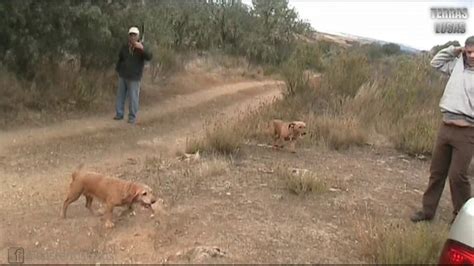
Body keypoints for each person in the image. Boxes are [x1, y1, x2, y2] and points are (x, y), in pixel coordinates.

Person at [411, 36, 474, 223]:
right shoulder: (456, 65)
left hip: (467, 131)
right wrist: (454, 50)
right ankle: (427, 211)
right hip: (446, 126)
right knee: (437, 172)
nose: (472, 56)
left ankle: (461, 218)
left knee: (458, 176)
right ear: (465, 50)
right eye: (469, 51)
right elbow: (435, 62)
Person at [114, 26, 153, 124]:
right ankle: (119, 114)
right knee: (120, 96)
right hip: (123, 75)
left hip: (134, 77)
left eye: (134, 35)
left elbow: (149, 57)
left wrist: (142, 49)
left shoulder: (141, 47)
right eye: (131, 35)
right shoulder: (124, 47)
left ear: (138, 36)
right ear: (128, 36)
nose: (132, 37)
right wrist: (118, 70)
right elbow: (120, 58)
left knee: (133, 98)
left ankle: (132, 117)